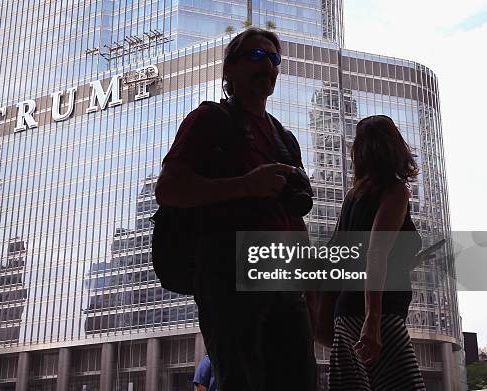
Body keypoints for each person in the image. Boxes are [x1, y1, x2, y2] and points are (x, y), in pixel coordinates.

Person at [155, 28, 316, 390]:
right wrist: (246, 185)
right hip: (229, 276)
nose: (268, 66)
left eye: (274, 59)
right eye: (256, 57)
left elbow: (294, 217)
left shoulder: (284, 138)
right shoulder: (209, 120)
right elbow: (168, 189)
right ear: (228, 69)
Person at [328, 115, 426, 390]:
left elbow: (334, 255)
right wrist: (372, 319)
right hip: (378, 316)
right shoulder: (395, 192)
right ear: (395, 146)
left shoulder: (353, 196)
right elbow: (376, 253)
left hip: (345, 315)